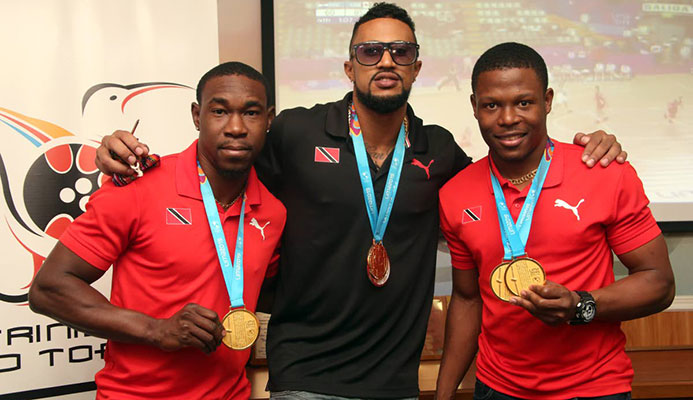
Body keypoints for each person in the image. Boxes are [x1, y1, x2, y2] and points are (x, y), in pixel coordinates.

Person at [93, 4, 628, 399]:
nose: (387, 61)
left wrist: (590, 145)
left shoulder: (438, 150)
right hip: (306, 373)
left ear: (417, 68)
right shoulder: (297, 132)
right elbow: (220, 158)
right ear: (350, 68)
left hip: (396, 379)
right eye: (370, 51)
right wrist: (129, 156)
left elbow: (507, 180)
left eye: (402, 52)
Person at [28, 62, 286, 399]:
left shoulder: (272, 211)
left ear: (269, 119)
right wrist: (156, 329)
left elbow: (260, 290)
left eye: (251, 113)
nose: (235, 127)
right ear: (197, 116)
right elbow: (48, 289)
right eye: (220, 111)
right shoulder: (138, 187)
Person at [436, 42, 675, 400]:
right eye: (491, 105)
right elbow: (468, 300)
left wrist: (580, 306)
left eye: (524, 102)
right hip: (496, 389)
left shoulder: (604, 172)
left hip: (594, 389)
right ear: (474, 107)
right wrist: (442, 394)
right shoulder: (454, 194)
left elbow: (659, 284)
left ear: (547, 101)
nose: (507, 118)